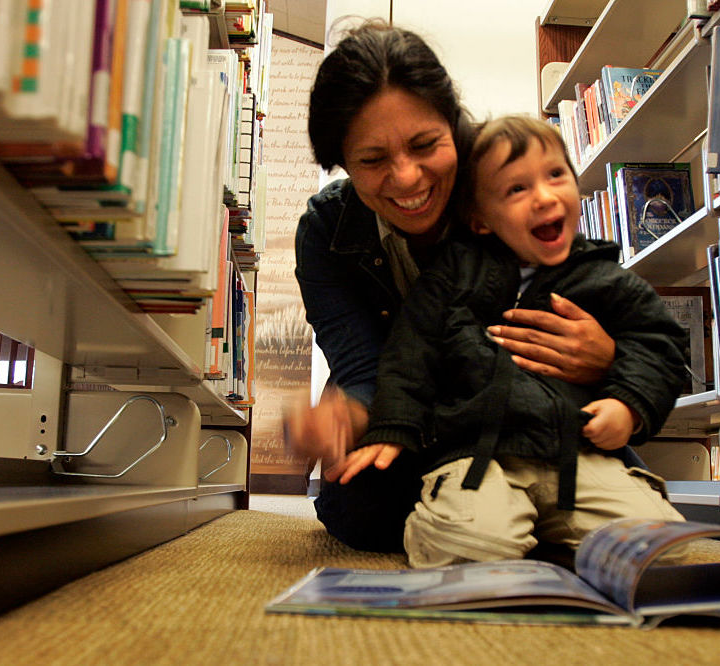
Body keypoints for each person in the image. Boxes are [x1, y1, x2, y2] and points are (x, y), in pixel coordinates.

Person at [288, 19, 618, 553]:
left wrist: (607, 359)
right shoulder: (326, 231)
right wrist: (345, 417)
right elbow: (361, 370)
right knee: (363, 511)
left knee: (620, 511)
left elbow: (604, 311)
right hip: (406, 421)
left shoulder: (512, 182)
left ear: (453, 125)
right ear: (341, 162)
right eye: (372, 161)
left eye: (425, 145)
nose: (408, 177)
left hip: (523, 411)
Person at [331, 115, 688, 568]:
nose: (543, 197)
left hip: (577, 455)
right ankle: (463, 531)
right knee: (471, 548)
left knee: (657, 552)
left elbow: (660, 344)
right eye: (516, 190)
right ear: (480, 220)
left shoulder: (605, 277)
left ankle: (559, 537)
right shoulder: (452, 276)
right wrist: (393, 428)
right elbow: (409, 355)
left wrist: (629, 404)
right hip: (477, 456)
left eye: (556, 175)